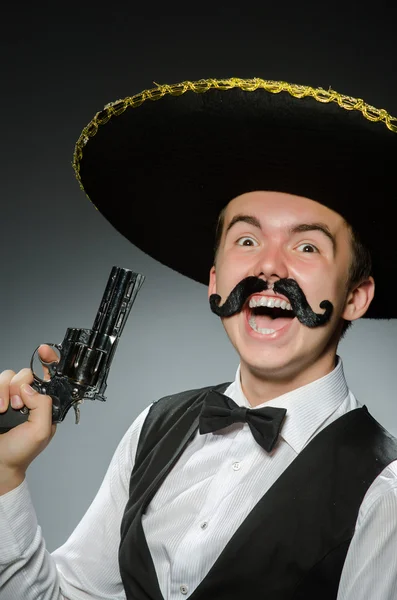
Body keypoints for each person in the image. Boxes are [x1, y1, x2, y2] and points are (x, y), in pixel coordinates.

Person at [0, 77, 397, 599]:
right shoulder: (153, 428)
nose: (269, 267)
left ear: (355, 297)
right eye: (247, 240)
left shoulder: (385, 494)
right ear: (215, 281)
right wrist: (7, 473)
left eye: (306, 248)